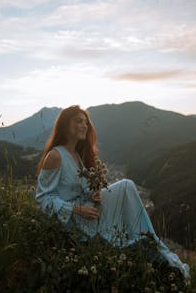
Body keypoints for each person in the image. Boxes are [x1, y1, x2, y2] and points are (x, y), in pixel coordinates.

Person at [36, 105, 190, 280]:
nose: (84, 126)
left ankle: (148, 240)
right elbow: (42, 198)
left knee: (127, 186)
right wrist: (76, 209)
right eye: (78, 121)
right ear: (65, 125)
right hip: (72, 221)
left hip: (86, 212)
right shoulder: (56, 156)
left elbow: (75, 189)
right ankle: (148, 240)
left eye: (86, 122)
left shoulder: (77, 155)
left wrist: (92, 195)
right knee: (126, 186)